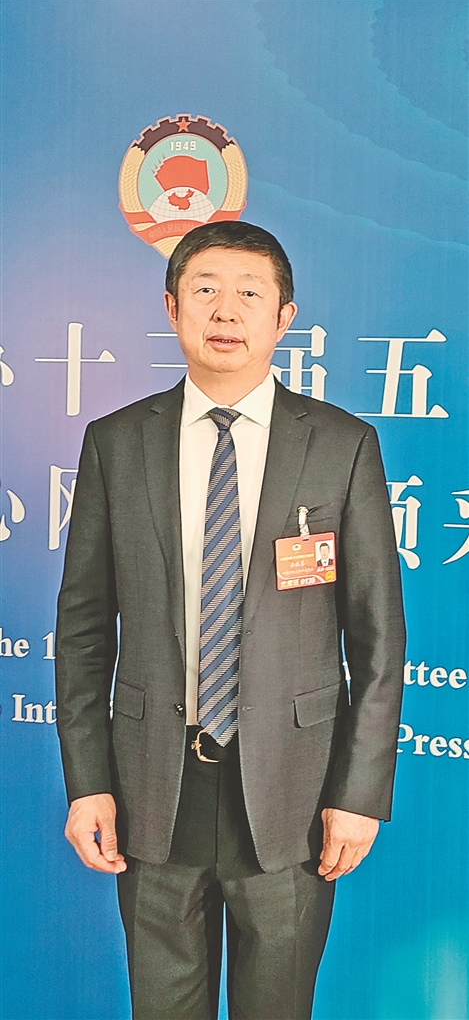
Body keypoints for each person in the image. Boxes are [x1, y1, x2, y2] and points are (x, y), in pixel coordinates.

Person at [56, 220, 405, 1020]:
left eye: (249, 293)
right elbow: (81, 632)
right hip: (153, 789)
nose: (225, 310)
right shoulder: (116, 442)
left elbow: (377, 640)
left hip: (292, 793)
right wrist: (89, 785)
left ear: (283, 318)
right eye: (205, 290)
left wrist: (359, 794)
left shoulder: (341, 445)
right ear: (172, 307)